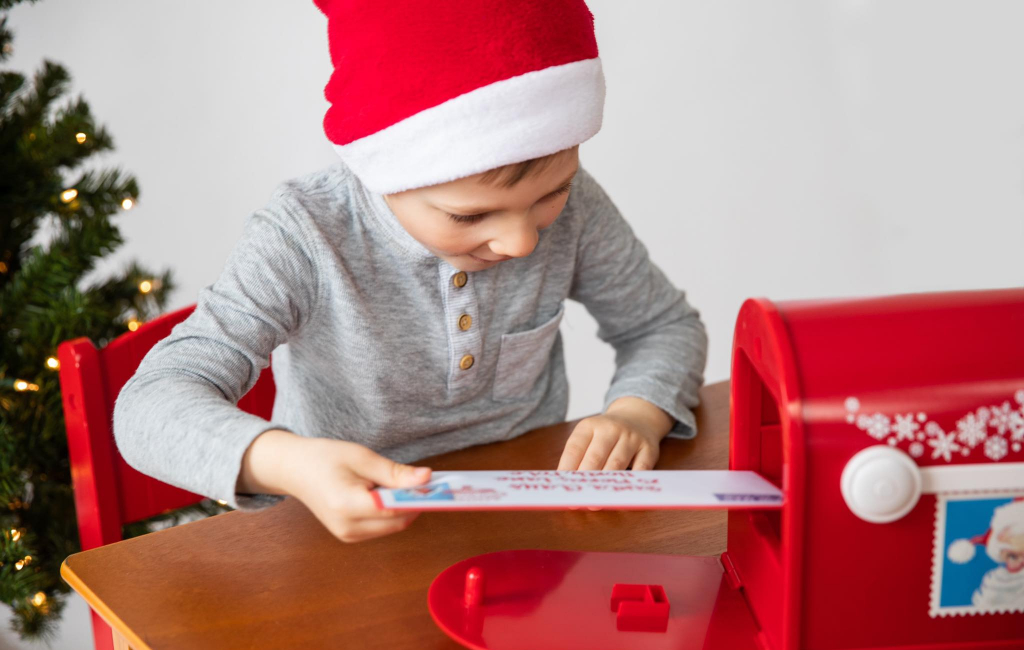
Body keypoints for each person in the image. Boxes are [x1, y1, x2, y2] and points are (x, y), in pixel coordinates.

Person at [113, 0, 707, 543]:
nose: (522, 241)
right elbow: (149, 406)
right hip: (340, 535)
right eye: (468, 215)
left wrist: (636, 411)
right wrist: (288, 461)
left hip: (524, 529)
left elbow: (663, 326)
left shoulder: (576, 210)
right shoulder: (304, 234)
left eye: (553, 193)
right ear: (384, 169)